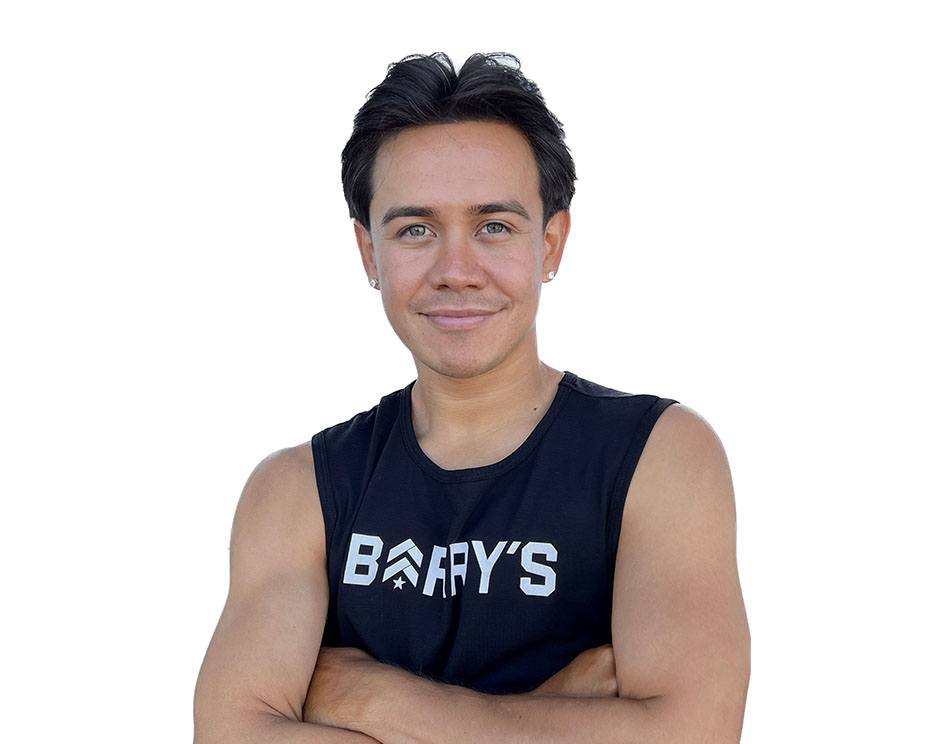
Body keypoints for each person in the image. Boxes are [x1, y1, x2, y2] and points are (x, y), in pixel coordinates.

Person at [193, 51, 750, 743]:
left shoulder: (658, 458)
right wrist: (556, 708)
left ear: (551, 243)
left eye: (494, 226)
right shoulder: (296, 491)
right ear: (369, 254)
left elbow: (692, 735)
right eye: (415, 230)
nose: (456, 271)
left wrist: (367, 697)